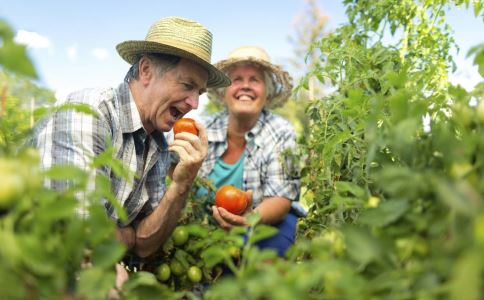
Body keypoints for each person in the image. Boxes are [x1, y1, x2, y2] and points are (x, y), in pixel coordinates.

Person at [33, 16, 230, 275]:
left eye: (199, 93)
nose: (194, 104)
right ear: (146, 70)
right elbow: (78, 237)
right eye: (187, 86)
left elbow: (146, 244)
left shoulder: (158, 144)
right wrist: (127, 236)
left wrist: (182, 184)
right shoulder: (91, 114)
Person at [197, 46, 303, 257]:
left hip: (265, 223)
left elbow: (281, 197)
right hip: (206, 226)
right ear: (223, 90)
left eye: (255, 79)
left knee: (266, 261)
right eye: (236, 79)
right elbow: (172, 169)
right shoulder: (202, 131)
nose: (245, 86)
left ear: (267, 91)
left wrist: (250, 218)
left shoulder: (280, 131)